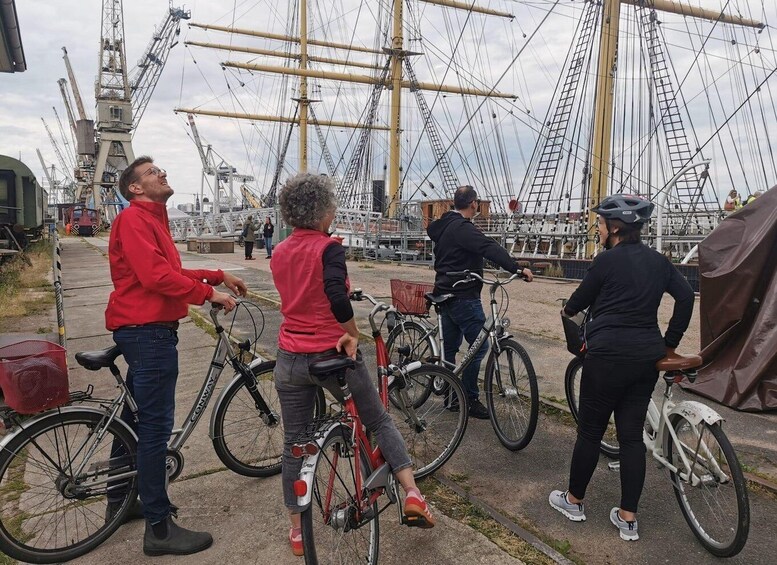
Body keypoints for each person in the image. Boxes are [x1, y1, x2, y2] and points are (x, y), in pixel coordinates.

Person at [271, 173, 435, 557]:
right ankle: (412, 492)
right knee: (377, 419)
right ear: (323, 211)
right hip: (332, 354)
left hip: (290, 357)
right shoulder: (328, 248)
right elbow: (334, 295)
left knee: (294, 441)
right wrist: (351, 331)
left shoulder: (279, 251)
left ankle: (297, 530)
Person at [106, 156, 247, 557]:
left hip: (146, 331)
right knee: (154, 430)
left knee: (132, 422)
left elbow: (170, 270)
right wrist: (209, 295)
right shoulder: (134, 219)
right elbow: (156, 277)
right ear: (135, 187)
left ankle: (120, 502)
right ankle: (160, 529)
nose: (162, 173)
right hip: (148, 333)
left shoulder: (152, 219)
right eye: (152, 172)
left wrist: (216, 276)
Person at [548, 194, 694, 542]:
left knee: (590, 432)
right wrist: (669, 343)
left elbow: (575, 305)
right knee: (630, 437)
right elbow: (686, 297)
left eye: (599, 223)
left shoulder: (605, 261)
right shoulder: (659, 262)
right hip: (645, 359)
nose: (597, 228)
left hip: (606, 358)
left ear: (614, 228)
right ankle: (628, 519)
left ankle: (574, 500)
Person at [427, 185, 533, 419]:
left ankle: (452, 397)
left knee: (450, 350)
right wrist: (516, 267)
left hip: (444, 293)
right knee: (480, 347)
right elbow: (487, 247)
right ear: (473, 203)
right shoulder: (462, 228)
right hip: (463, 296)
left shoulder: (443, 226)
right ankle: (469, 397)